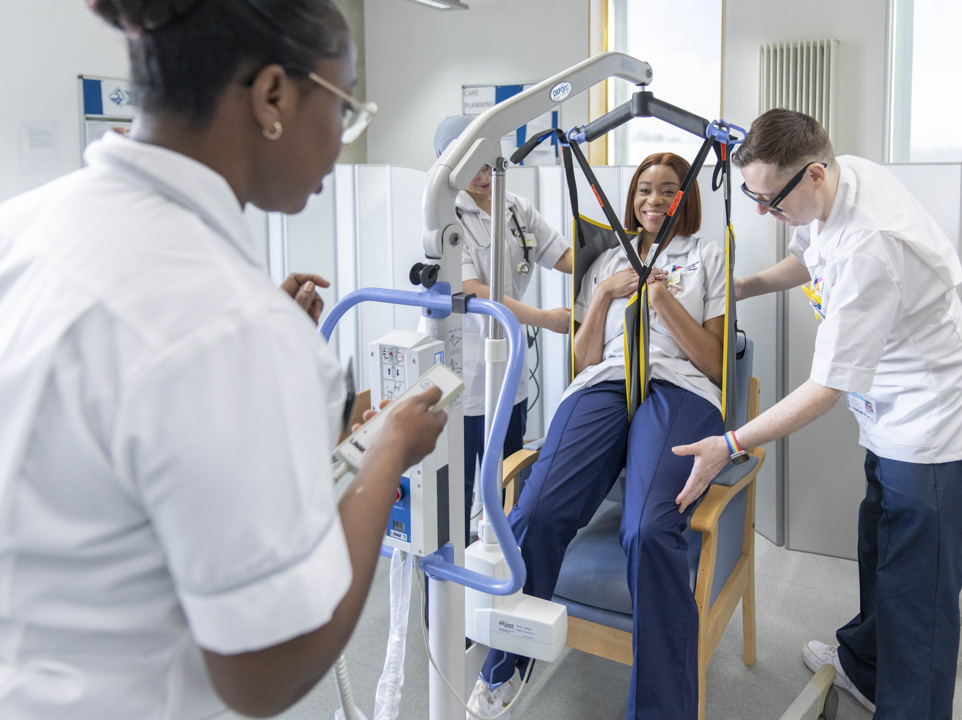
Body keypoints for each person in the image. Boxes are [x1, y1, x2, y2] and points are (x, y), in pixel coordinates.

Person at [0, 2, 446, 719]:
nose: (342, 140)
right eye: (346, 106)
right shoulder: (232, 328)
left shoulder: (23, 227)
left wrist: (252, 362)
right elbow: (265, 674)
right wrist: (387, 452)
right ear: (273, 95)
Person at [673, 109, 962, 719]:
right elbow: (807, 259)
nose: (764, 212)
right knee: (879, 552)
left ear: (814, 174)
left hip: (933, 429)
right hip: (886, 415)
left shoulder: (870, 245)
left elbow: (823, 389)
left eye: (771, 199)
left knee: (918, 601)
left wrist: (732, 441)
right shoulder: (835, 189)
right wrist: (742, 287)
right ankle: (864, 669)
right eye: (753, 196)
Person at [467, 152, 728, 720]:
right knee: (534, 509)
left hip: (679, 388)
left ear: (687, 199)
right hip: (605, 382)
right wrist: (606, 293)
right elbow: (584, 358)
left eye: (667, 191)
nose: (654, 201)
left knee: (652, 529)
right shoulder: (606, 258)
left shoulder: (708, 257)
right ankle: (507, 663)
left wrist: (662, 301)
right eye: (643, 191)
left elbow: (714, 364)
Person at [431, 115, 573, 537]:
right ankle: (454, 560)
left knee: (513, 465)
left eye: (486, 160)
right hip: (464, 366)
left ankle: (511, 550)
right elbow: (472, 290)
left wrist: (617, 265)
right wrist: (547, 319)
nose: (482, 173)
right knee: (462, 479)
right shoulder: (443, 217)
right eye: (469, 164)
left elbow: (561, 254)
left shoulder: (514, 206)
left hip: (507, 362)